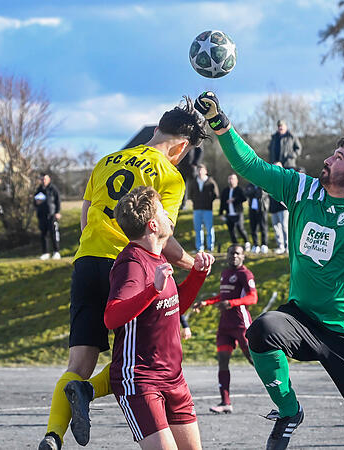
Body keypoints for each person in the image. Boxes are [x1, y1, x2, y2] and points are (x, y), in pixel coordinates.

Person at [194, 91, 344, 450]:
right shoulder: (303, 190)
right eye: (334, 153)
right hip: (302, 319)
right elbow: (251, 166)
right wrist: (220, 123)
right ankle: (288, 411)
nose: (329, 159)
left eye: (339, 157)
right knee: (263, 330)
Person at [37, 99, 207, 450]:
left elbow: (86, 214)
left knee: (79, 363)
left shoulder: (107, 160)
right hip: (128, 267)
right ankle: (89, 394)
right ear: (181, 146)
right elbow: (163, 234)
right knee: (134, 363)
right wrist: (191, 263)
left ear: (157, 129)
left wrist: (91, 251)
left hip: (86, 261)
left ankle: (53, 435)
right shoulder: (169, 174)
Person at [103, 186, 213, 449]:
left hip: (174, 378)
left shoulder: (158, 256)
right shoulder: (132, 263)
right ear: (153, 224)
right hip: (141, 381)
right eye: (164, 212)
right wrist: (152, 289)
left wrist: (197, 275)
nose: (169, 216)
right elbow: (111, 316)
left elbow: (174, 307)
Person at [194, 244, 257, 414]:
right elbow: (223, 296)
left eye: (237, 253)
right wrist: (206, 303)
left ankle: (281, 389)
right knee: (223, 361)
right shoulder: (225, 273)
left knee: (253, 359)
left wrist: (231, 303)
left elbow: (253, 298)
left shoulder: (245, 274)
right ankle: (225, 402)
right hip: (225, 326)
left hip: (240, 323)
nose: (233, 256)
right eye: (231, 253)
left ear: (243, 256)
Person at [188, 163, 218, 252]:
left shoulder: (211, 181)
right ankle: (199, 248)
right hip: (197, 209)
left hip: (207, 209)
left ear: (206, 171)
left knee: (209, 229)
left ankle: (210, 247)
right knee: (198, 229)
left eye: (201, 170)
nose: (200, 172)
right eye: (198, 170)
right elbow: (190, 194)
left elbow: (215, 194)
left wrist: (208, 202)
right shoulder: (194, 181)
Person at [34, 173, 62, 260]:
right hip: (42, 215)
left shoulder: (53, 189)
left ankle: (56, 252)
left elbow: (58, 201)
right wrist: (36, 203)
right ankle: (45, 253)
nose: (43, 181)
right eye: (42, 179)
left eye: (45, 179)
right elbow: (34, 202)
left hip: (52, 215)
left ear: (48, 179)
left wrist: (57, 212)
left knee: (53, 234)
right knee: (43, 234)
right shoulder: (39, 190)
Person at [219, 174, 249, 249]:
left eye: (233, 179)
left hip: (238, 213)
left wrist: (234, 199)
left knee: (240, 228)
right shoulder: (225, 190)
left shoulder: (239, 189)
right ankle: (235, 246)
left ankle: (247, 242)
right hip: (229, 214)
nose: (231, 180)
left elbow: (244, 198)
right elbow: (222, 202)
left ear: (236, 180)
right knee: (231, 231)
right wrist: (221, 213)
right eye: (230, 179)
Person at [245, 183, 269, 253]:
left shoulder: (262, 183)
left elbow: (261, 194)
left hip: (262, 209)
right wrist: (253, 192)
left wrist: (252, 192)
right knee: (253, 227)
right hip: (252, 209)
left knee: (263, 227)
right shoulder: (250, 185)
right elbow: (246, 193)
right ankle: (256, 245)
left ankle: (264, 244)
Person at [268, 185, 289, 255]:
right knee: (276, 228)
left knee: (285, 227)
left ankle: (288, 247)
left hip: (283, 208)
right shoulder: (269, 182)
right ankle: (281, 246)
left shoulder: (281, 178)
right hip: (273, 208)